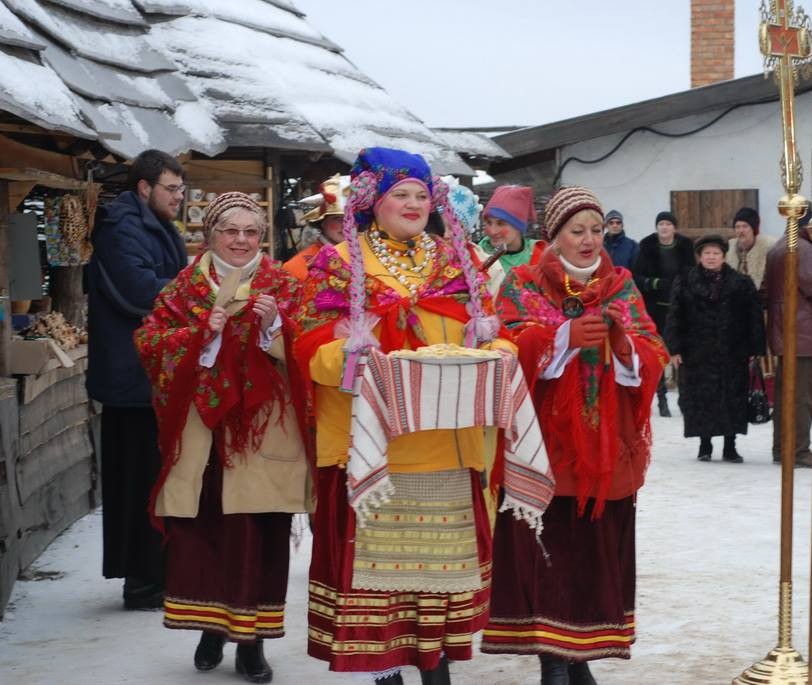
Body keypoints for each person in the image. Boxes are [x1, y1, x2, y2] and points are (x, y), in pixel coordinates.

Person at [297, 148, 519, 685]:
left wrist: (496, 347)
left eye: (422, 194)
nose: (414, 203)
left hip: (446, 446)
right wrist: (348, 353)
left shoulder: (452, 260)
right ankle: (385, 671)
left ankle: (435, 669)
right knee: (382, 579)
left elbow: (494, 330)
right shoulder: (338, 263)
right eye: (401, 194)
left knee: (437, 575)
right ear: (373, 201)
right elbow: (307, 349)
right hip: (376, 450)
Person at [481, 186, 667, 684]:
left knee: (591, 553)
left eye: (596, 230)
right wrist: (560, 339)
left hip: (606, 446)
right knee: (550, 552)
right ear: (555, 235)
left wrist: (624, 348)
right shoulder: (523, 283)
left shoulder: (621, 285)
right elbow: (505, 344)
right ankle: (553, 660)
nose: (589, 240)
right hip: (543, 444)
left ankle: (578, 656)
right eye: (577, 231)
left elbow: (653, 349)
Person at [135, 192, 312, 683]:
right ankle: (211, 628)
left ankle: (252, 643)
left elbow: (311, 348)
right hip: (203, 433)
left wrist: (275, 327)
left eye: (251, 232)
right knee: (205, 532)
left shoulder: (283, 285)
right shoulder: (184, 287)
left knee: (257, 534)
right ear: (211, 235)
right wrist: (200, 334)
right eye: (230, 231)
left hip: (264, 431)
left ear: (262, 238)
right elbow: (149, 342)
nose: (241, 240)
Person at [86, 149, 188, 610]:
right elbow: (140, 291)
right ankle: (144, 581)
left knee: (152, 477)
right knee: (137, 481)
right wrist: (199, 287)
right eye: (171, 189)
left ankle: (154, 573)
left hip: (150, 376)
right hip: (131, 379)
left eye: (182, 189)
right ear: (144, 187)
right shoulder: (121, 227)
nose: (179, 197)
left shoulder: (154, 225)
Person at [664, 234, 765, 462]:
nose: (711, 257)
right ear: (699, 256)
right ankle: (705, 444)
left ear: (723, 256)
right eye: (707, 253)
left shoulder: (741, 283)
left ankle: (730, 446)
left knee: (732, 398)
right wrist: (674, 348)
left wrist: (755, 349)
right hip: (697, 353)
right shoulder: (685, 282)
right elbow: (674, 316)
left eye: (716, 253)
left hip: (732, 352)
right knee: (702, 399)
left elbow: (754, 318)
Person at [763, 213, 812, 468]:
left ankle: (780, 448)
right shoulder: (803, 249)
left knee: (784, 395)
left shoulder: (777, 247)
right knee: (802, 397)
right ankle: (799, 451)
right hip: (801, 332)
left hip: (782, 329)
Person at [630, 210, 695, 416]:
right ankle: (662, 398)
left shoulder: (685, 246)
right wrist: (657, 283)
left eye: (668, 224)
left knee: (681, 353)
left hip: (680, 307)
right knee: (657, 353)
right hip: (655, 308)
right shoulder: (647, 246)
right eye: (661, 224)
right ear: (656, 227)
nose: (664, 227)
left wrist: (681, 286)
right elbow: (637, 277)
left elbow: (692, 273)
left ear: (674, 228)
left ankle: (685, 398)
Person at [284, 174, 346, 280]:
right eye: (338, 219)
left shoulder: (368, 256)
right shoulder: (295, 267)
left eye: (352, 219)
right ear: (322, 221)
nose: (347, 225)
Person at [478, 184, 545, 273]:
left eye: (501, 224)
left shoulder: (540, 255)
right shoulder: (475, 256)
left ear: (518, 226)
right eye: (489, 223)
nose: (492, 231)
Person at [726, 207, 776, 290]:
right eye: (737, 227)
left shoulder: (768, 246)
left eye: (745, 226)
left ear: (753, 228)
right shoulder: (729, 247)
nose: (741, 230)